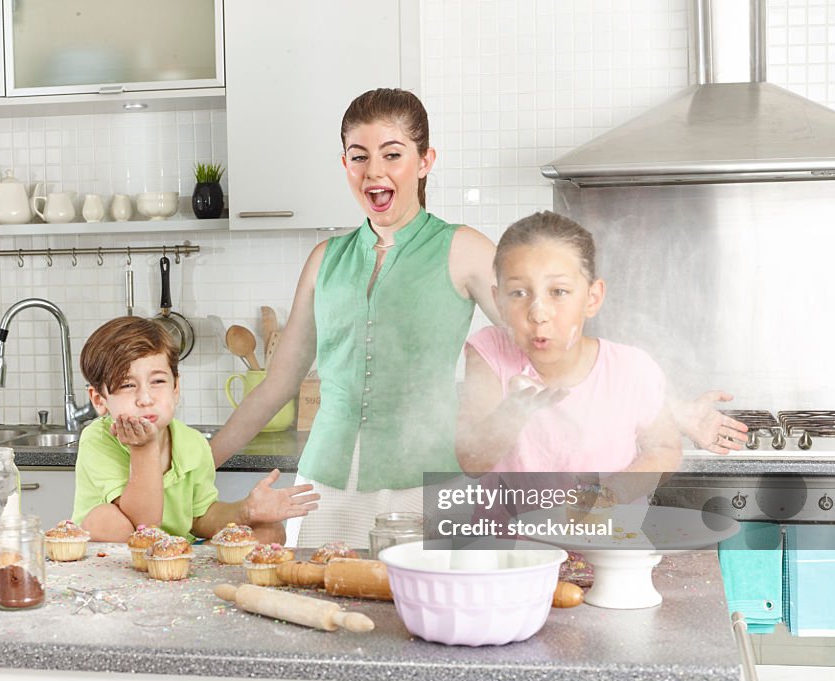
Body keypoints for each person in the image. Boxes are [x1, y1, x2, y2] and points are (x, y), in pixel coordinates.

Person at [210, 88, 500, 548]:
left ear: (425, 161)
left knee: (417, 615)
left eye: (393, 154)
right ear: (344, 164)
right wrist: (197, 465)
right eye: (359, 156)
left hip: (424, 485)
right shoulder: (324, 260)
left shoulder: (464, 249)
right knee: (318, 606)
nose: (374, 172)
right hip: (322, 488)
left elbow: (536, 344)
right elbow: (276, 386)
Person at [455, 210, 681, 497]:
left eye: (559, 292)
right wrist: (513, 412)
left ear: (592, 297)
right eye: (518, 293)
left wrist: (611, 495)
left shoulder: (631, 368)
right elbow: (471, 462)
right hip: (512, 541)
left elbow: (664, 447)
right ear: (498, 302)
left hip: (606, 537)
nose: (538, 313)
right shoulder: (490, 353)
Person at [72, 316, 319, 543]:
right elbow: (143, 526)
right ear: (99, 399)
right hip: (124, 550)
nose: (145, 398)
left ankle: (193, 564)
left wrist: (247, 510)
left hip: (175, 546)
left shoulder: (191, 442)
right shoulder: (97, 439)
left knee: (270, 531)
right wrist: (143, 448)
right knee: (105, 520)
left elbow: (200, 517)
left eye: (158, 381)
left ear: (176, 388)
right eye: (127, 385)